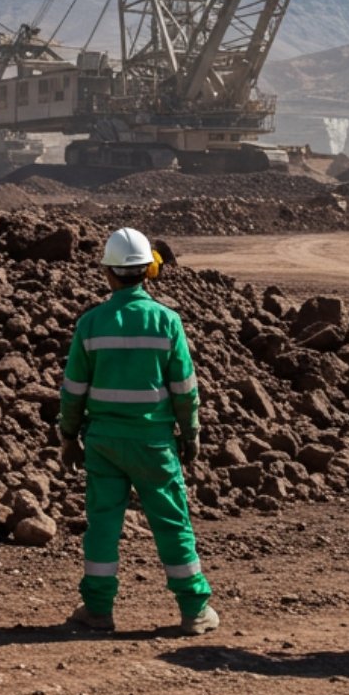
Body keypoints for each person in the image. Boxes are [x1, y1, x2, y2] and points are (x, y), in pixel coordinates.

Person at [58, 227, 217, 636]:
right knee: (171, 522)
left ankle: (98, 610)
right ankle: (194, 610)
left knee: (103, 525)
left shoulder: (91, 324)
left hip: (104, 443)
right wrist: (191, 432)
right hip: (154, 443)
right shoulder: (166, 322)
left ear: (108, 274)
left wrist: (68, 436)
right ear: (149, 271)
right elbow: (184, 388)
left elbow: (74, 389)